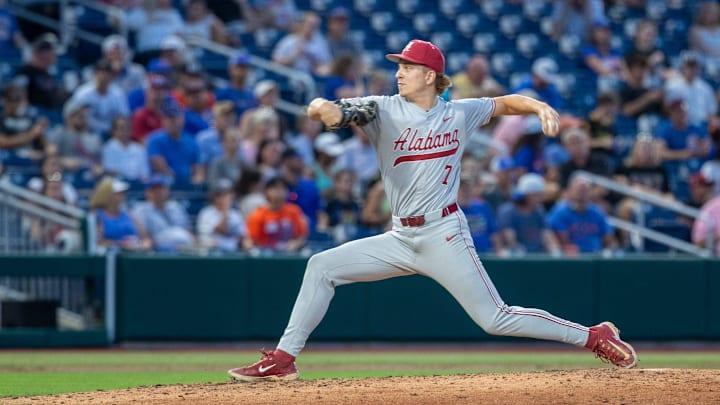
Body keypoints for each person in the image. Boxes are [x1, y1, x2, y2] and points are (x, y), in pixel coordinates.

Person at [228, 39, 637, 382]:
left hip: (444, 234)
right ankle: (284, 359)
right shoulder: (382, 108)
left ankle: (594, 335)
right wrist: (323, 108)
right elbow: (342, 112)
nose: (398, 72)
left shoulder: (458, 113)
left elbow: (505, 103)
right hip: (400, 237)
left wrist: (538, 106)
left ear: (429, 76)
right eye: (398, 66)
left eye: (407, 66)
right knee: (321, 266)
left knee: (495, 319)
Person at [131, 174, 195, 252]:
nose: (159, 192)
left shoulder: (176, 207)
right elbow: (144, 236)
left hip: (186, 247)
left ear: (168, 190)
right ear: (148, 192)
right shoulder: (142, 209)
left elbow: (188, 229)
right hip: (160, 249)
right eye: (155, 190)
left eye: (162, 189)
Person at [245, 176, 308, 253]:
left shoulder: (294, 211)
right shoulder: (258, 215)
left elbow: (301, 237)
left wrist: (296, 244)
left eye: (283, 189)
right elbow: (251, 240)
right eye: (275, 188)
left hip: (290, 255)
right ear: (267, 192)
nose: (279, 192)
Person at [196, 178, 249, 252]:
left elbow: (243, 236)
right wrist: (225, 212)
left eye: (229, 194)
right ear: (215, 197)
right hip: (211, 253)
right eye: (223, 195)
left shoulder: (235, 215)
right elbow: (222, 229)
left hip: (233, 254)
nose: (227, 198)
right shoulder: (206, 213)